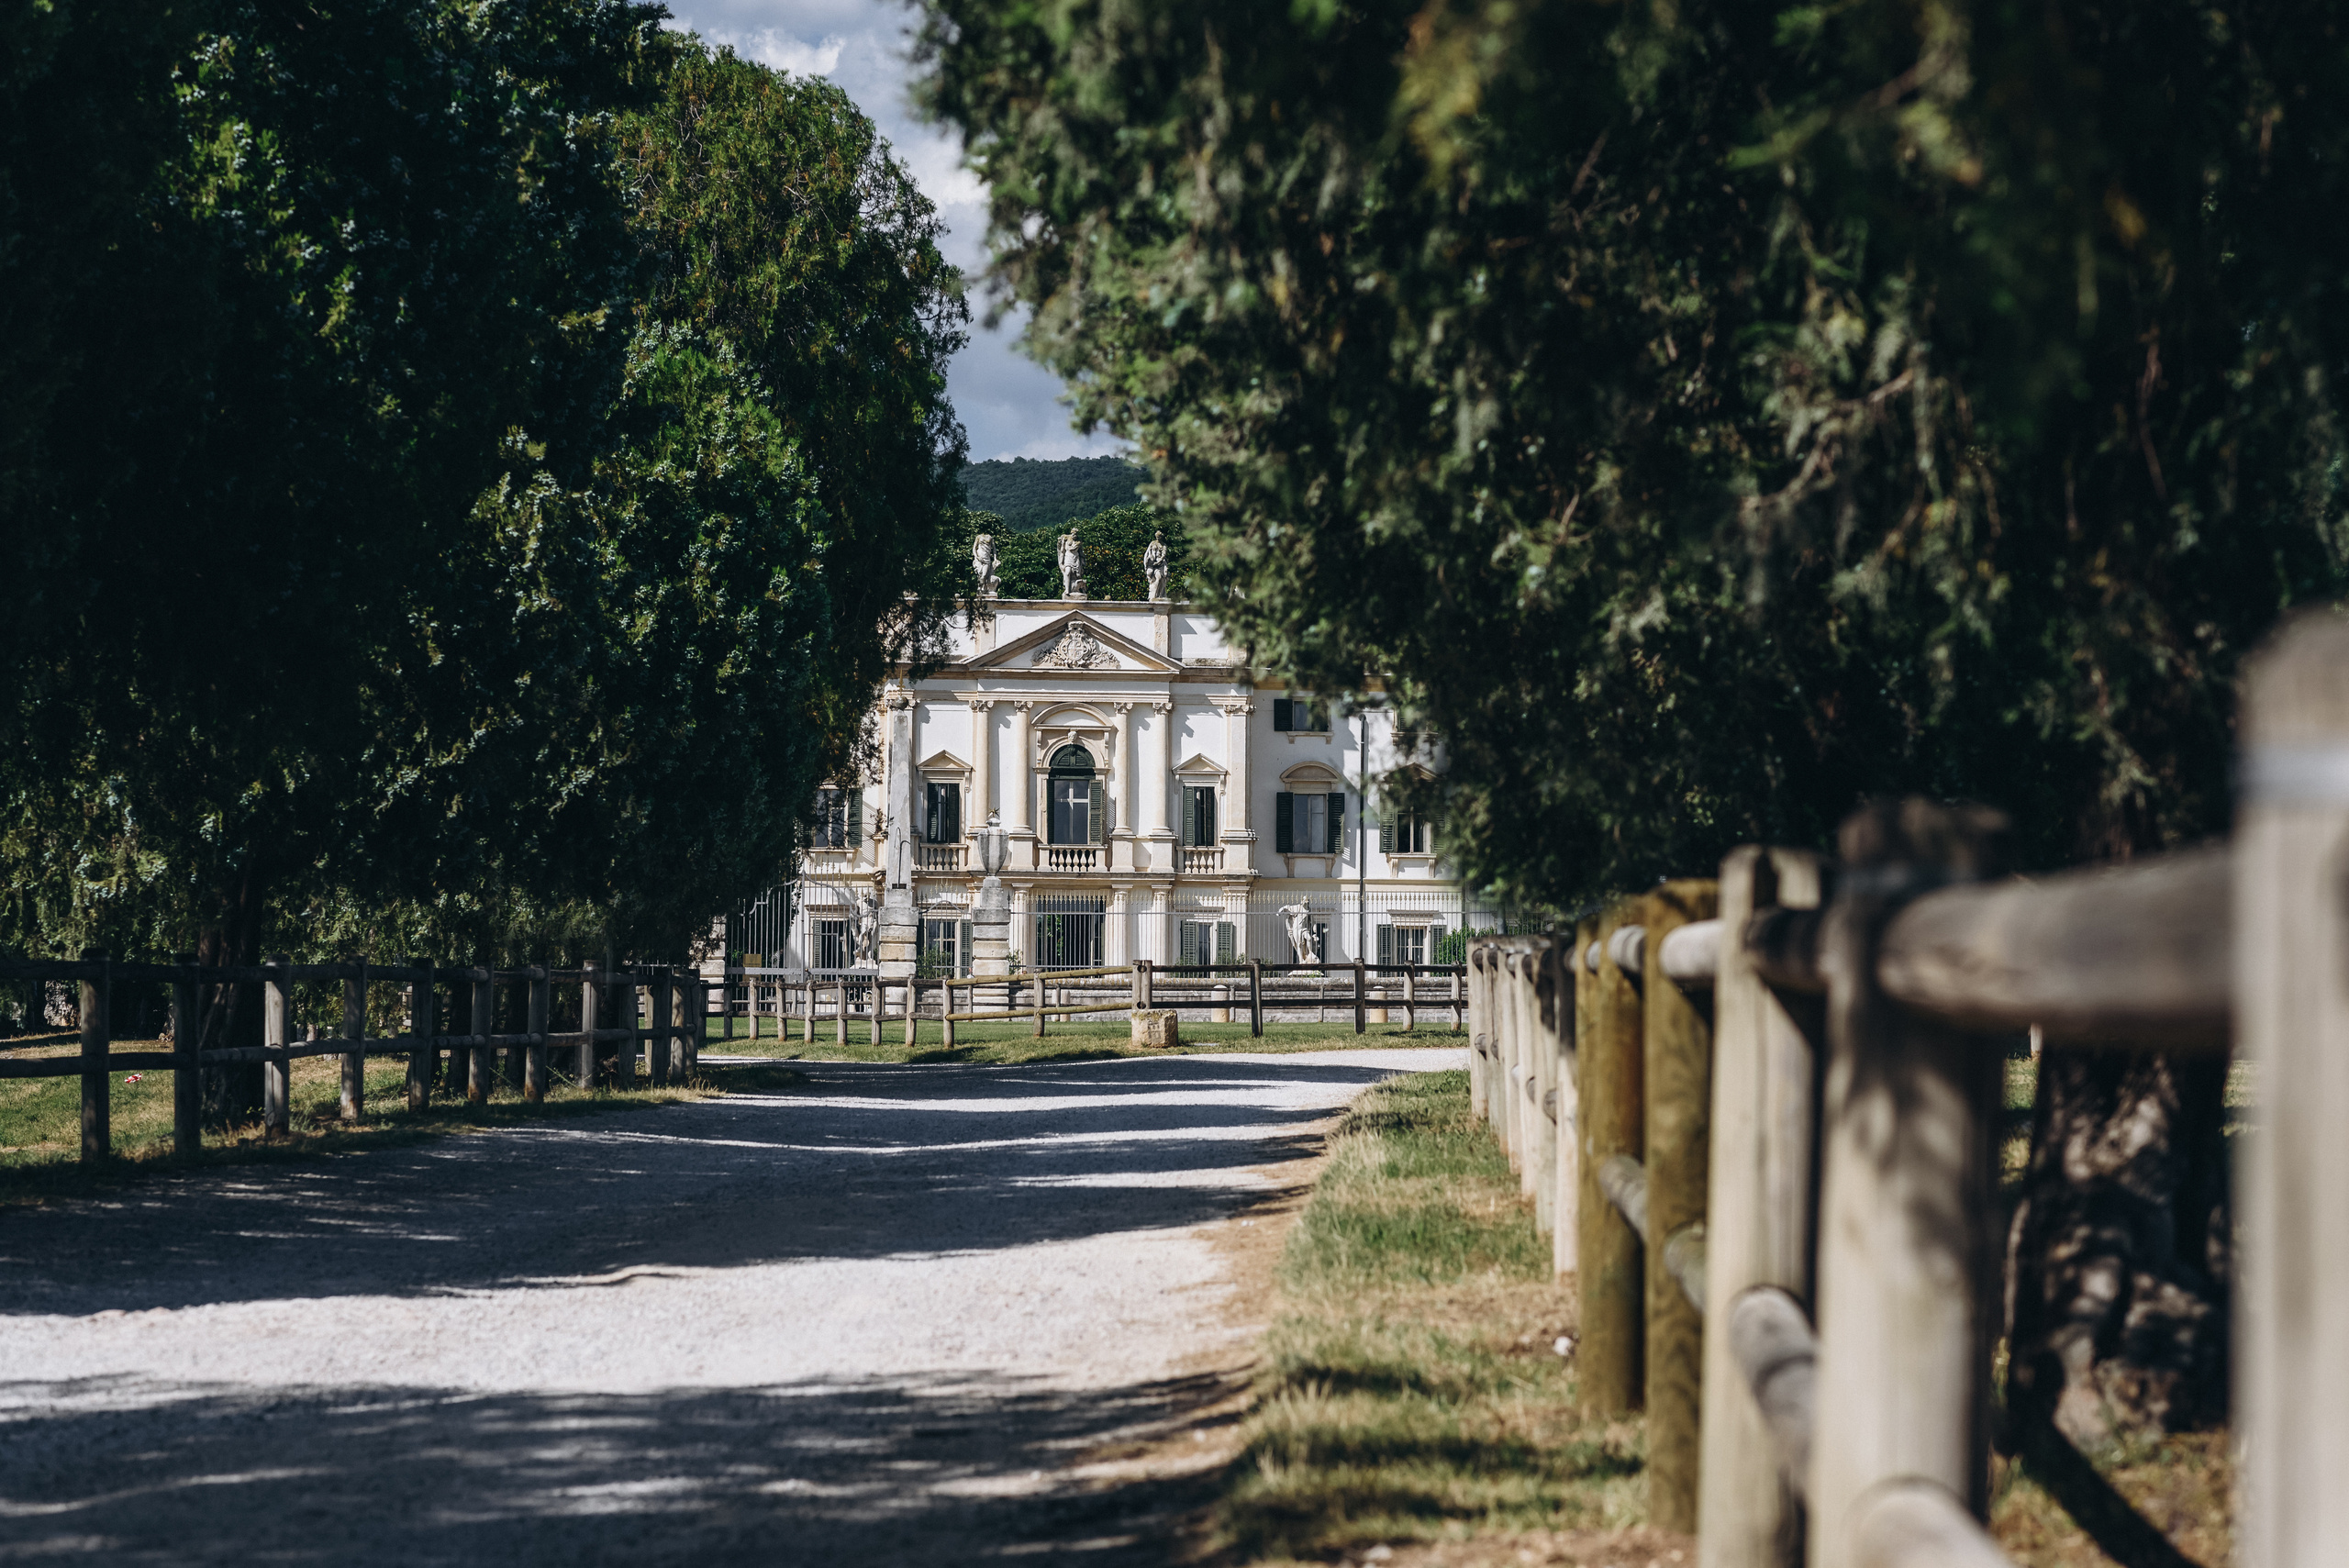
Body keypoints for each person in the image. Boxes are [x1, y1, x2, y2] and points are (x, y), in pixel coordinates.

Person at [1057, 531, 1085, 598]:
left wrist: (1083, 560)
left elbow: (1081, 552)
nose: (1074, 535)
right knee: (1067, 572)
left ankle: (1078, 589)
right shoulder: (1067, 540)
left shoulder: (1078, 542)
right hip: (1068, 557)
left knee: (1077, 575)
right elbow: (1062, 551)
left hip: (1076, 558)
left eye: (1076, 534)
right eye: (1073, 534)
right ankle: (1067, 590)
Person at [1143, 531, 1169, 600]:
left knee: (1161, 578)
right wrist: (1147, 564)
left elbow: (1163, 555)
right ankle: (1154, 595)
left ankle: (1160, 595)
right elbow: (1148, 553)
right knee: (1156, 578)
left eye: (1159, 537)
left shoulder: (1164, 545)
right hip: (1153, 564)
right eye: (1157, 537)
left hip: (1161, 564)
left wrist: (1158, 562)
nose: (1158, 538)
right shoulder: (1152, 543)